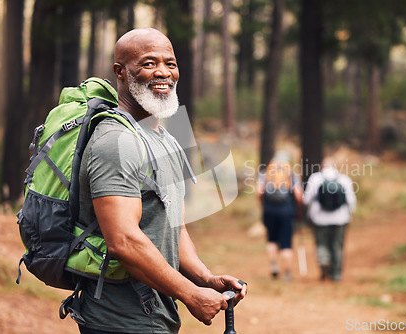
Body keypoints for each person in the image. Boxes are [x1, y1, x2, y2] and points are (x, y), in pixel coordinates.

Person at [77, 28, 247, 334]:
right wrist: (189, 294)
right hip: (119, 321)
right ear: (120, 72)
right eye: (148, 63)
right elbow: (123, 240)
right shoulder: (116, 142)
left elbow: (172, 225)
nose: (162, 73)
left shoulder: (165, 138)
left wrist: (205, 279)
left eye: (170, 63)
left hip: (155, 317)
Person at [302, 157, 356, 282]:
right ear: (335, 167)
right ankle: (336, 275)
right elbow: (351, 200)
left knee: (321, 244)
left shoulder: (315, 178)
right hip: (340, 219)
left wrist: (309, 213)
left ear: (322, 166)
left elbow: (307, 200)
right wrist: (349, 215)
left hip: (319, 219)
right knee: (337, 246)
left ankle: (324, 262)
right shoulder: (344, 179)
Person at [257, 151, 303, 281]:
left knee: (271, 240)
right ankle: (287, 273)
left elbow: (259, 192)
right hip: (286, 212)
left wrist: (263, 206)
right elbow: (298, 195)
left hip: (269, 211)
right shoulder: (291, 174)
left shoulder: (266, 173)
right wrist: (299, 209)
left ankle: (274, 267)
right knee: (286, 243)